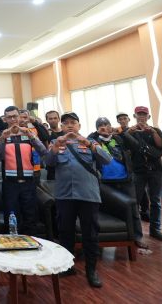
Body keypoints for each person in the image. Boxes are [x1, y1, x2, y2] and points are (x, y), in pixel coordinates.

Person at [45, 112, 111, 288]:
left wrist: (89, 144)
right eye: (65, 123)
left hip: (88, 195)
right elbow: (49, 162)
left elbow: (107, 160)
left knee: (90, 234)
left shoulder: (91, 142)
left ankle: (91, 270)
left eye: (73, 122)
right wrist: (55, 146)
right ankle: (67, 266)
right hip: (64, 195)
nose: (69, 125)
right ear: (61, 126)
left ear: (79, 126)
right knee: (65, 232)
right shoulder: (56, 142)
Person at [88, 117, 147, 249]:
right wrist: (97, 133)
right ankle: (114, 238)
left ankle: (137, 237)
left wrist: (123, 133)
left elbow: (136, 146)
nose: (104, 127)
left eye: (106, 124)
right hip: (105, 183)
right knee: (109, 210)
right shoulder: (94, 141)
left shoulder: (119, 139)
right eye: (100, 125)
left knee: (133, 209)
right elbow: (88, 140)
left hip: (126, 180)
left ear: (111, 126)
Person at [0, 106, 48, 239]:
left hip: (28, 182)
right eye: (9, 117)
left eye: (15, 116)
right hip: (10, 184)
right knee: (11, 217)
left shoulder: (28, 133)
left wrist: (32, 137)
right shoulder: (1, 134)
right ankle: (12, 245)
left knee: (30, 216)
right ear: (5, 119)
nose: (12, 119)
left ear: (19, 117)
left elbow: (43, 151)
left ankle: (32, 245)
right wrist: (2, 139)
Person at [128, 106, 162, 242]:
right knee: (135, 201)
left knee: (156, 200)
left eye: (144, 114)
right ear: (134, 116)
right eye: (139, 114)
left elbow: (161, 146)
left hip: (156, 170)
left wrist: (152, 132)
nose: (141, 117)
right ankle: (135, 232)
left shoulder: (156, 130)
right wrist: (129, 132)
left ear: (148, 117)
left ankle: (155, 229)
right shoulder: (130, 132)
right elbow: (125, 147)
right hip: (138, 171)